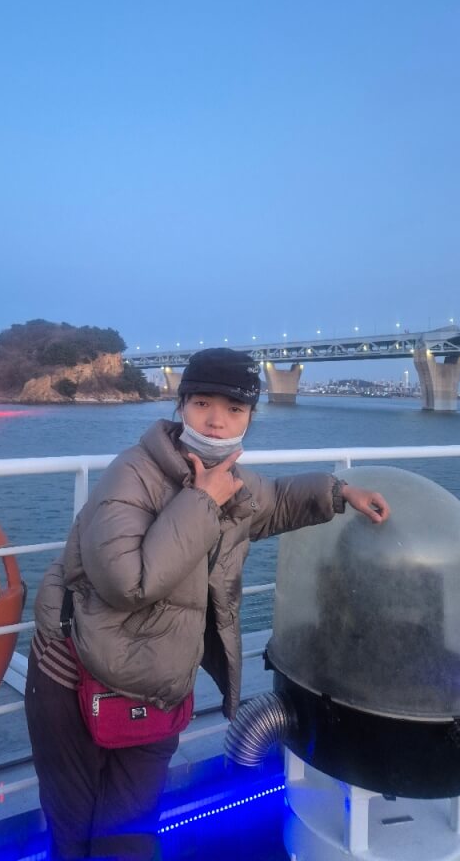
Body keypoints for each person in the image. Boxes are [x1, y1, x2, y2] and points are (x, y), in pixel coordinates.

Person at [25, 347, 390, 861]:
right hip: (73, 676)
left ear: (250, 417)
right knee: (74, 831)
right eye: (202, 404)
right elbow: (126, 582)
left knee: (127, 835)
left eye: (234, 409)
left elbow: (277, 501)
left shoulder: (232, 483)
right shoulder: (132, 473)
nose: (217, 422)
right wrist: (202, 501)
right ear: (181, 407)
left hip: (155, 689)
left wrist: (340, 492)